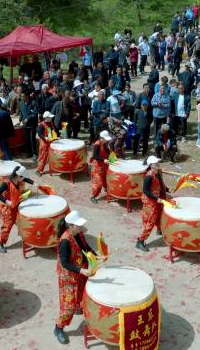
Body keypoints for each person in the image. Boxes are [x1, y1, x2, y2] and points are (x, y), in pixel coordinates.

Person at [53, 211, 98, 345]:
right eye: (78, 225)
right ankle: (59, 327)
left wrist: (97, 256)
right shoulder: (65, 241)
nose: (81, 227)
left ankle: (78, 307)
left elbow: (86, 247)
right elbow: (65, 263)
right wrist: (82, 270)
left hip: (80, 271)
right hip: (68, 276)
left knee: (81, 294)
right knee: (68, 306)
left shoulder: (78, 233)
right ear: (71, 225)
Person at [0, 166, 35, 253]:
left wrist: (34, 183)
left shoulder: (18, 178)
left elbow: (26, 179)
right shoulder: (7, 183)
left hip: (16, 203)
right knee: (8, 225)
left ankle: (27, 238)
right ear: (19, 176)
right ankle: (0, 243)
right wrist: (6, 201)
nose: (24, 179)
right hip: (7, 207)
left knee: (22, 220)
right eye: (23, 177)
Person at [136, 156, 169, 252]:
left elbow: (161, 184)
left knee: (160, 216)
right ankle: (140, 241)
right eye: (155, 164)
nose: (158, 164)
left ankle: (159, 230)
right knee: (150, 223)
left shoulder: (158, 172)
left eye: (158, 163)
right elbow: (145, 191)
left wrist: (167, 189)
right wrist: (156, 198)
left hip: (158, 200)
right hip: (151, 202)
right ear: (151, 166)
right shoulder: (149, 176)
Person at [89, 130, 112, 203]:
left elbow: (108, 152)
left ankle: (106, 189)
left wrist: (114, 158)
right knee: (98, 183)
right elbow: (95, 156)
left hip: (104, 165)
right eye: (105, 139)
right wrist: (104, 160)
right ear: (101, 138)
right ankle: (93, 196)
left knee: (105, 179)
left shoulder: (105, 143)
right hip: (97, 166)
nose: (107, 140)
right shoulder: (97, 144)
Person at [36, 111, 58, 176]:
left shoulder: (50, 123)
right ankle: (39, 170)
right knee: (43, 157)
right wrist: (44, 137)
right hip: (44, 144)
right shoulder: (41, 125)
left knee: (52, 157)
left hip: (50, 142)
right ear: (46, 118)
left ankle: (52, 169)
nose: (51, 118)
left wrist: (55, 136)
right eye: (50, 117)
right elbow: (40, 134)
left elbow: (52, 131)